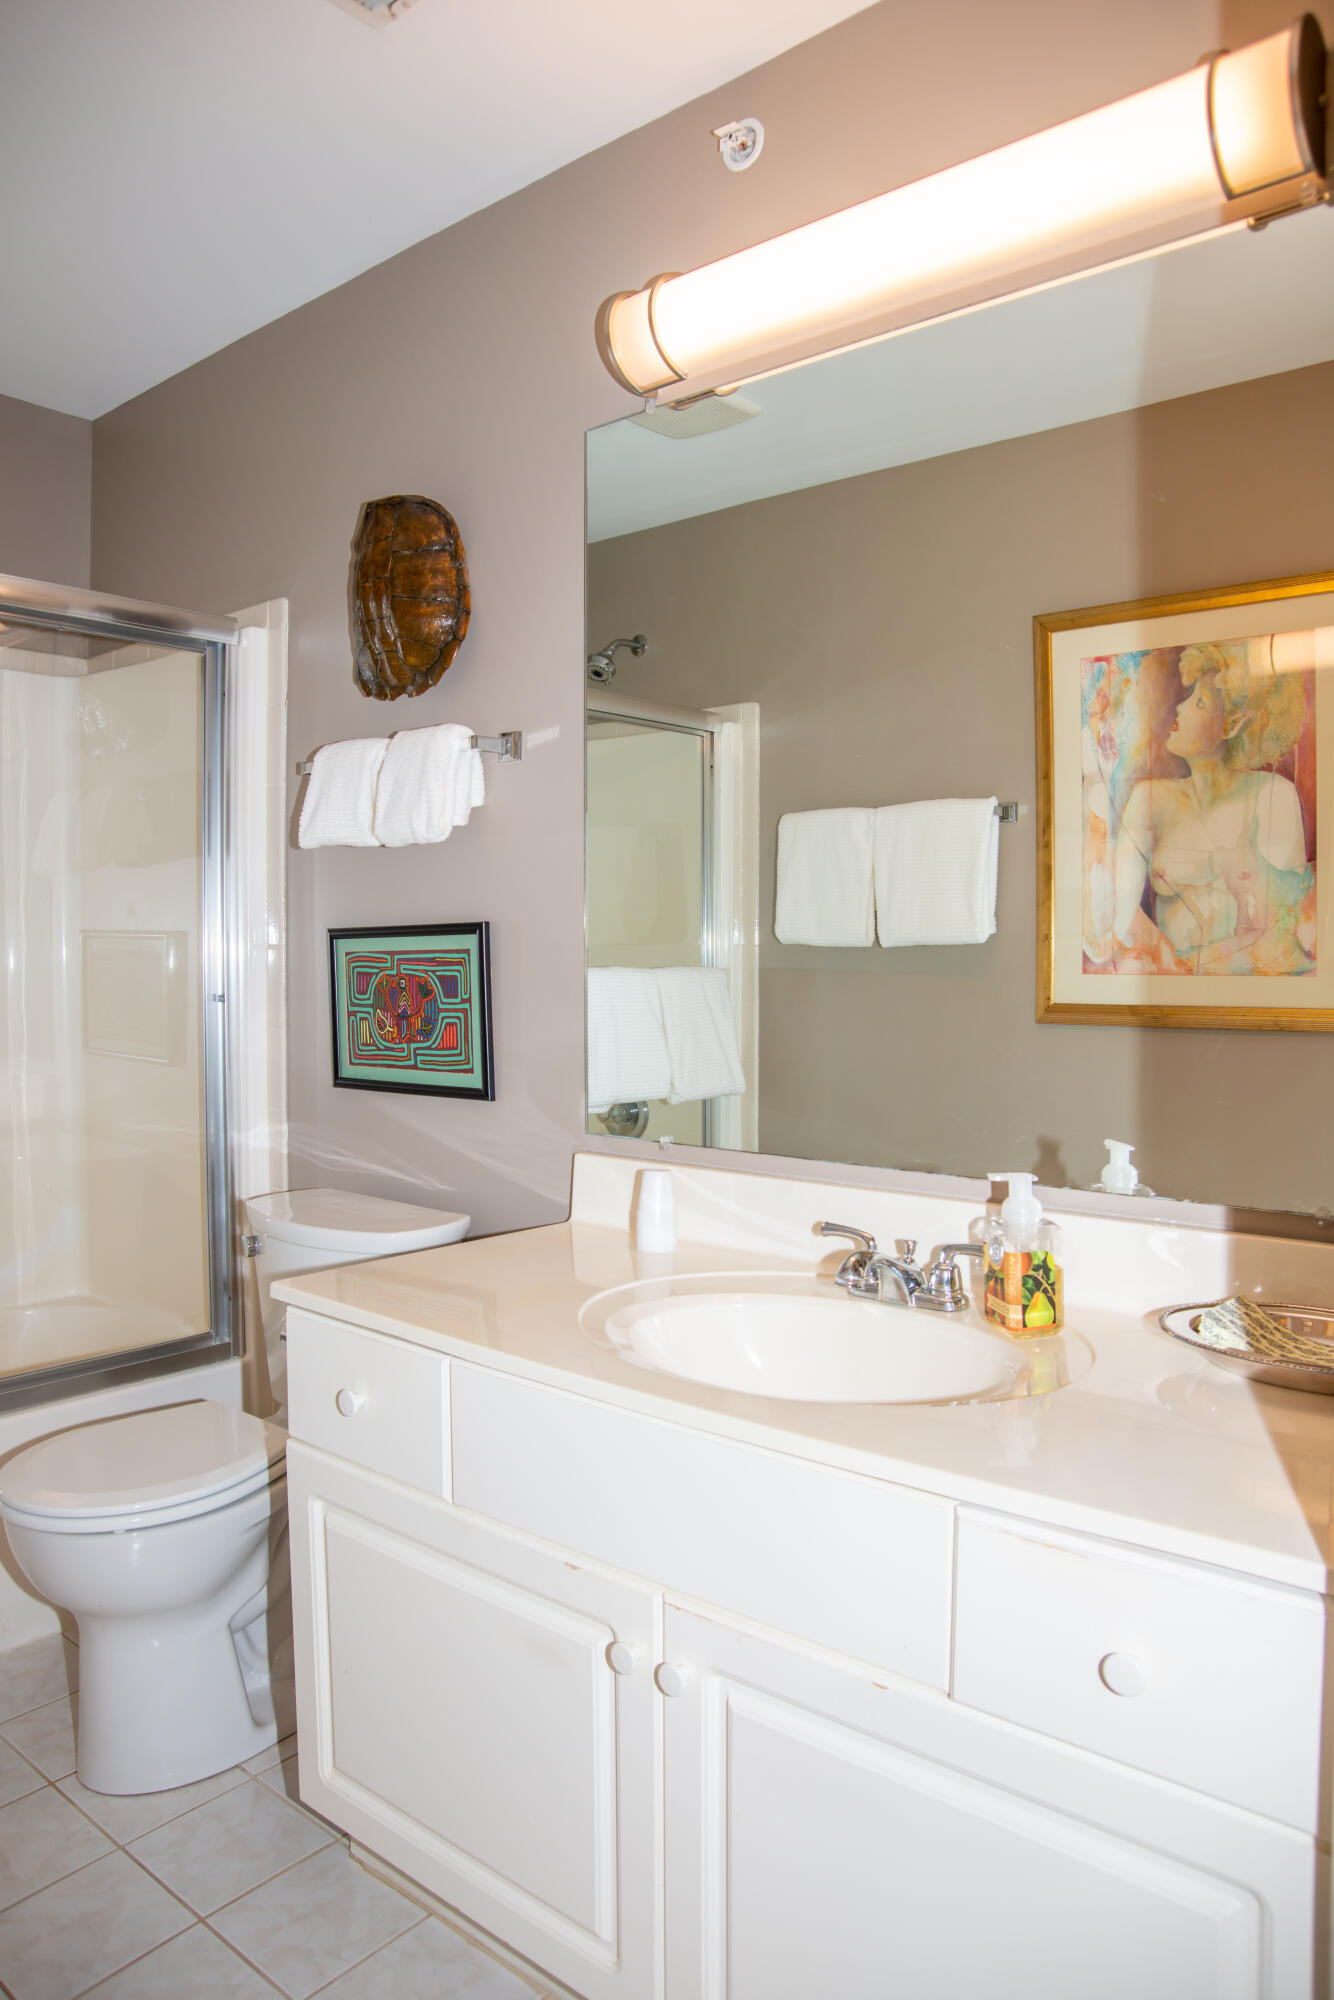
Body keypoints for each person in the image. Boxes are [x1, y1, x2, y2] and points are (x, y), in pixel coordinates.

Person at [1102, 640, 1314, 975]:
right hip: (1173, 983)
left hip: (1255, 984)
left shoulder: (1272, 795)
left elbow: (1288, 921)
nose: (1180, 709)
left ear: (1233, 725)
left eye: (1198, 701)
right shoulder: (1150, 799)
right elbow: (1118, 915)